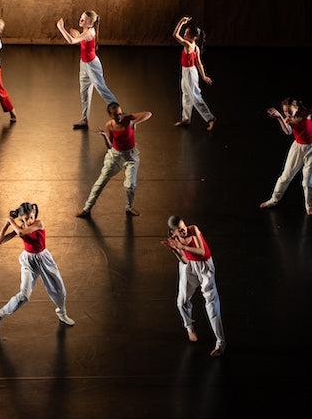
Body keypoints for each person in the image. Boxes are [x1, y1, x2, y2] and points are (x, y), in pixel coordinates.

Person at [0, 202, 75, 332]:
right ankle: (1, 313)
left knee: (59, 289)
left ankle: (62, 313)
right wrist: (7, 224)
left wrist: (11, 221)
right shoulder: (20, 227)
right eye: (26, 219)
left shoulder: (38, 223)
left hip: (44, 259)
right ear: (21, 218)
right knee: (24, 296)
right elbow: (0, 240)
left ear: (34, 214)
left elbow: (20, 233)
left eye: (31, 216)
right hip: (28, 262)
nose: (29, 220)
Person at [259, 97, 312, 215]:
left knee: (308, 181)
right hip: (297, 148)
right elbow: (288, 132)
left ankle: (309, 206)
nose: (287, 114)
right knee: (285, 176)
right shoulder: (287, 119)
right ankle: (274, 200)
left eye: (290, 111)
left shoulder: (306, 113)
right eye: (285, 111)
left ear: (297, 108)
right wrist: (279, 117)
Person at [161, 215, 226, 357]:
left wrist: (182, 246)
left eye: (183, 226)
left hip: (205, 266)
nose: (184, 230)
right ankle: (189, 327)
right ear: (173, 232)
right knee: (181, 301)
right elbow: (184, 260)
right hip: (189, 266)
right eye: (179, 230)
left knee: (211, 303)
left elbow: (202, 251)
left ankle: (220, 343)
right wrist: (175, 250)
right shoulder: (176, 239)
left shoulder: (193, 229)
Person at [76, 102, 152, 217]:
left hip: (131, 156)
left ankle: (129, 207)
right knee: (100, 182)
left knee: (130, 185)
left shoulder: (128, 119)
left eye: (120, 114)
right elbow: (110, 146)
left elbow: (148, 114)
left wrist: (134, 122)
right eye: (116, 115)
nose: (119, 117)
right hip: (115, 156)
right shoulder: (109, 125)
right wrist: (104, 136)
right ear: (110, 115)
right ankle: (87, 208)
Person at [56, 10, 119, 129]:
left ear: (90, 23)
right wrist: (77, 35)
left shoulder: (89, 32)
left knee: (102, 89)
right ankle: (84, 120)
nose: (80, 20)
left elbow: (71, 41)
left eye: (84, 20)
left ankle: (121, 115)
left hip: (92, 65)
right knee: (84, 92)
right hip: (84, 64)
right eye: (81, 17)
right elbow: (81, 40)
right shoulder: (86, 31)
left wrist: (61, 28)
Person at [172, 16, 216, 131]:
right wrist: (204, 76)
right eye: (184, 33)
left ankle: (210, 119)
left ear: (193, 38)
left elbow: (175, 35)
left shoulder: (188, 45)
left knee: (195, 97)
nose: (184, 35)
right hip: (186, 72)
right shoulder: (195, 47)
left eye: (186, 34)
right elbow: (199, 64)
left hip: (190, 73)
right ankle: (186, 119)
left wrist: (181, 22)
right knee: (186, 95)